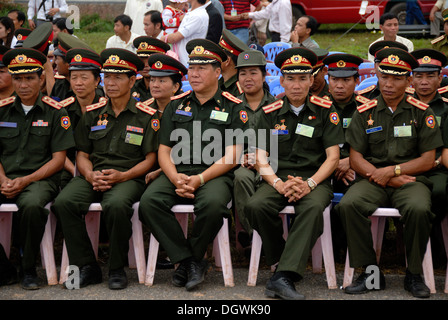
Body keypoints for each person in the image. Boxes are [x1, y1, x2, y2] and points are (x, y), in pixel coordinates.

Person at [138, 39, 248, 291]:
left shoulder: (234, 107)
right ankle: (189, 260)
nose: (194, 74)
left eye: (202, 68)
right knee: (149, 203)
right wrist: (176, 177)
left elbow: (233, 154)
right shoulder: (177, 104)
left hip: (214, 174)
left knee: (212, 205)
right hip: (177, 171)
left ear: (218, 72)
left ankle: (192, 259)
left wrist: (200, 179)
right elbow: (164, 151)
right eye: (191, 68)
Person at [335, 47, 443, 299]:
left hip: (410, 180)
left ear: (408, 81)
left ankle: (414, 274)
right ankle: (371, 273)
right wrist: (382, 175)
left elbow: (428, 159)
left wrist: (393, 172)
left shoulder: (422, 112)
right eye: (384, 77)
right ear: (377, 76)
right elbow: (355, 157)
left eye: (396, 78)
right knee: (349, 205)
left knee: (419, 209)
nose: (389, 84)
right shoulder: (364, 112)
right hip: (373, 179)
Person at [51, 48, 158, 290]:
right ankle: (87, 265)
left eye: (118, 77)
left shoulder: (145, 116)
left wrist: (124, 175)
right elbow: (82, 154)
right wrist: (88, 174)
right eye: (107, 77)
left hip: (129, 176)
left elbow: (150, 158)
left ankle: (117, 267)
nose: (111, 83)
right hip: (94, 174)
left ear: (132, 80)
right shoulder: (93, 113)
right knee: (64, 202)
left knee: (117, 205)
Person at [244, 47, 345, 300]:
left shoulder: (326, 111)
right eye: (290, 78)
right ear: (281, 80)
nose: (296, 85)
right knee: (255, 205)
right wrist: (278, 184)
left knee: (311, 209)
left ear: (312, 80)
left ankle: (284, 276)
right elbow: (260, 157)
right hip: (278, 178)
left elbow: (333, 157)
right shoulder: (270, 112)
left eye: (302, 78)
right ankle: (281, 262)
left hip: (316, 179)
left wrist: (309, 183)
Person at [0, 47, 75, 289]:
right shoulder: (2, 110)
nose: (23, 85)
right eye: (18, 78)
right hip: (4, 177)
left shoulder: (56, 112)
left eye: (29, 78)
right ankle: (4, 267)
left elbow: (58, 159)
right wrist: (2, 178)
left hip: (41, 179)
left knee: (32, 206)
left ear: (41, 79)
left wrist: (25, 180)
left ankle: (28, 267)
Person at [232, 49, 276, 248]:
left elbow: (282, 141)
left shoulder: (277, 106)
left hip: (272, 163)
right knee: (241, 177)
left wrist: (262, 158)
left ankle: (265, 238)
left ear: (264, 75)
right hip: (241, 163)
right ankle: (251, 236)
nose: (247, 78)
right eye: (243, 73)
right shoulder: (231, 106)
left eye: (253, 72)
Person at [410, 49, 448, 222]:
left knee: (439, 191)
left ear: (440, 79)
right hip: (405, 165)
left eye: (430, 76)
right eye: (419, 76)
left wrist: (438, 161)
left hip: (436, 168)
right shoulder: (402, 106)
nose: (424, 82)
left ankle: (435, 239)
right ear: (411, 80)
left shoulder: (446, 109)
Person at [58, 48, 104, 189]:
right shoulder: (61, 110)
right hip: (67, 166)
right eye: (74, 77)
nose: (78, 83)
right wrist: (75, 171)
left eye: (84, 78)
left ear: (97, 80)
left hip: (100, 166)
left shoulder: (106, 108)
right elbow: (57, 149)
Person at [142, 52, 188, 184]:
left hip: (178, 169)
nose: (155, 85)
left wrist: (162, 170)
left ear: (176, 86)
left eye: (161, 81)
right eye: (152, 80)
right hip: (144, 168)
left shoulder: (186, 110)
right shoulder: (143, 110)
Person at [323, 53, 364, 193]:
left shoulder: (366, 109)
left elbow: (374, 144)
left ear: (357, 80)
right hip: (322, 167)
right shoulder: (317, 107)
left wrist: (351, 161)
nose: (339, 86)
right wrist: (333, 164)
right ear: (328, 79)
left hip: (356, 168)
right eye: (334, 79)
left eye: (346, 80)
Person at [50, 32, 95, 101]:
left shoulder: (90, 89)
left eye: (57, 59)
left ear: (68, 64)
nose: (55, 62)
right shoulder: (60, 83)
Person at [164, 0, 209, 66]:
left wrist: (162, 38)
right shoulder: (191, 12)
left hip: (186, 61)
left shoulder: (198, 15)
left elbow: (175, 38)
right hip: (181, 60)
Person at [131, 36, 170, 102]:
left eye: (149, 61)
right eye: (142, 60)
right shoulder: (131, 85)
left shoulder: (170, 87)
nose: (145, 65)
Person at [219, 29, 250, 97]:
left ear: (227, 61)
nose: (215, 59)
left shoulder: (240, 90)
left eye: (218, 56)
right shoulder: (219, 83)